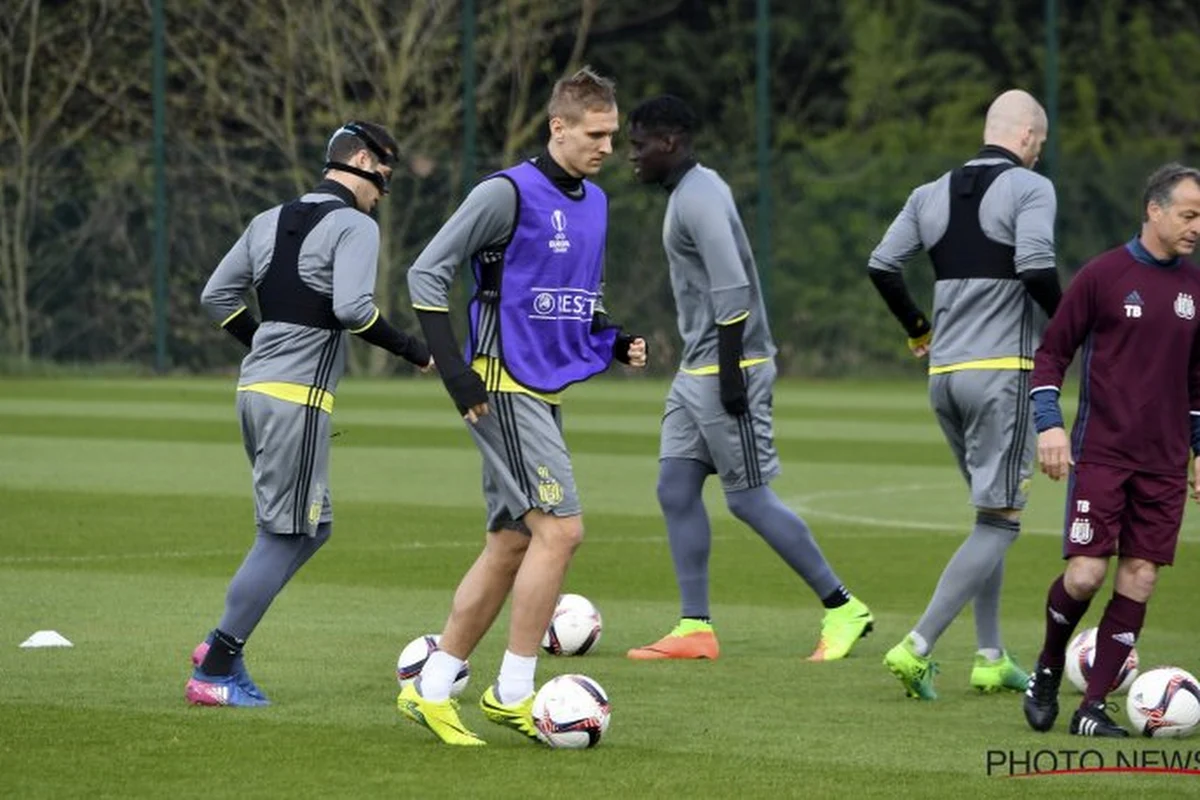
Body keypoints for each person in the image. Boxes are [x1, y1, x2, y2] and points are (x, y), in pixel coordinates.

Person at [398, 67, 646, 746]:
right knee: (561, 532)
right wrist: (456, 372)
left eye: (613, 135)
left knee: (510, 542)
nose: (605, 146)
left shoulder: (595, 202)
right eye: (594, 134)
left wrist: (615, 339)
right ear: (557, 126)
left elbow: (578, 297)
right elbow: (425, 272)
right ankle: (511, 692)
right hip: (501, 386)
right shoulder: (505, 193)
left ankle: (432, 686)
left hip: (545, 388)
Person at [189, 121, 432, 706]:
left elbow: (215, 296)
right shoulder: (355, 225)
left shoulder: (267, 219)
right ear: (360, 161)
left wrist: (262, 346)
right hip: (296, 400)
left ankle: (222, 651)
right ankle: (215, 666)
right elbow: (352, 308)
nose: (382, 192)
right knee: (282, 534)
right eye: (384, 178)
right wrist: (413, 349)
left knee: (312, 527)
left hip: (257, 393)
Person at [624, 94, 872, 663]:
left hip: (726, 368)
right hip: (698, 368)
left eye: (639, 146)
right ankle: (695, 629)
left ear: (670, 142)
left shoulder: (701, 196)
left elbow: (732, 287)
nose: (631, 157)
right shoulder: (688, 193)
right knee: (675, 489)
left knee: (749, 500)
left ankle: (843, 607)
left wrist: (734, 371)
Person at [867, 89, 1062, 699]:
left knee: (988, 515)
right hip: (1004, 372)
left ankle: (990, 655)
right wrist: (1075, 329)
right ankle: (917, 646)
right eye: (1040, 145)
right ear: (1029, 138)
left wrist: (918, 329)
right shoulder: (1033, 188)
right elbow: (1035, 267)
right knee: (1002, 522)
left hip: (945, 376)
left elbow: (882, 266)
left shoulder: (929, 193)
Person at [1022, 163, 1200, 737]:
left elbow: (1196, 385)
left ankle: (1090, 707)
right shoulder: (1103, 275)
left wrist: (1199, 450)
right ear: (1154, 210)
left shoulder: (1196, 290)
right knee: (1085, 575)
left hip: (1165, 463)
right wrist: (1049, 425)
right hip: (1102, 453)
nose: (1196, 227)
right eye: (1188, 214)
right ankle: (1048, 666)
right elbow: (1051, 355)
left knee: (1141, 577)